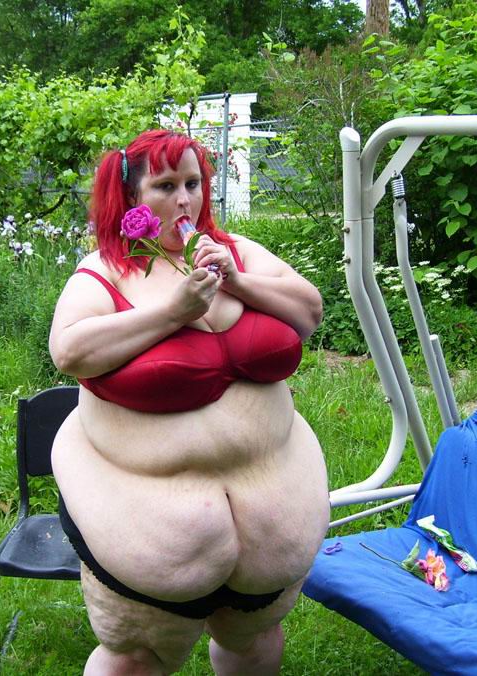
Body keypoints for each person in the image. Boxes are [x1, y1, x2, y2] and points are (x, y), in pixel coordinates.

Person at [49, 129, 329, 675]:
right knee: (136, 660)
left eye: (194, 184)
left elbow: (309, 312)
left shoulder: (236, 250)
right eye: (166, 186)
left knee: (255, 641)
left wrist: (236, 280)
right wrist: (171, 312)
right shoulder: (105, 270)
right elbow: (70, 351)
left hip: (269, 525)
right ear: (131, 196)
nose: (185, 200)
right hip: (147, 534)